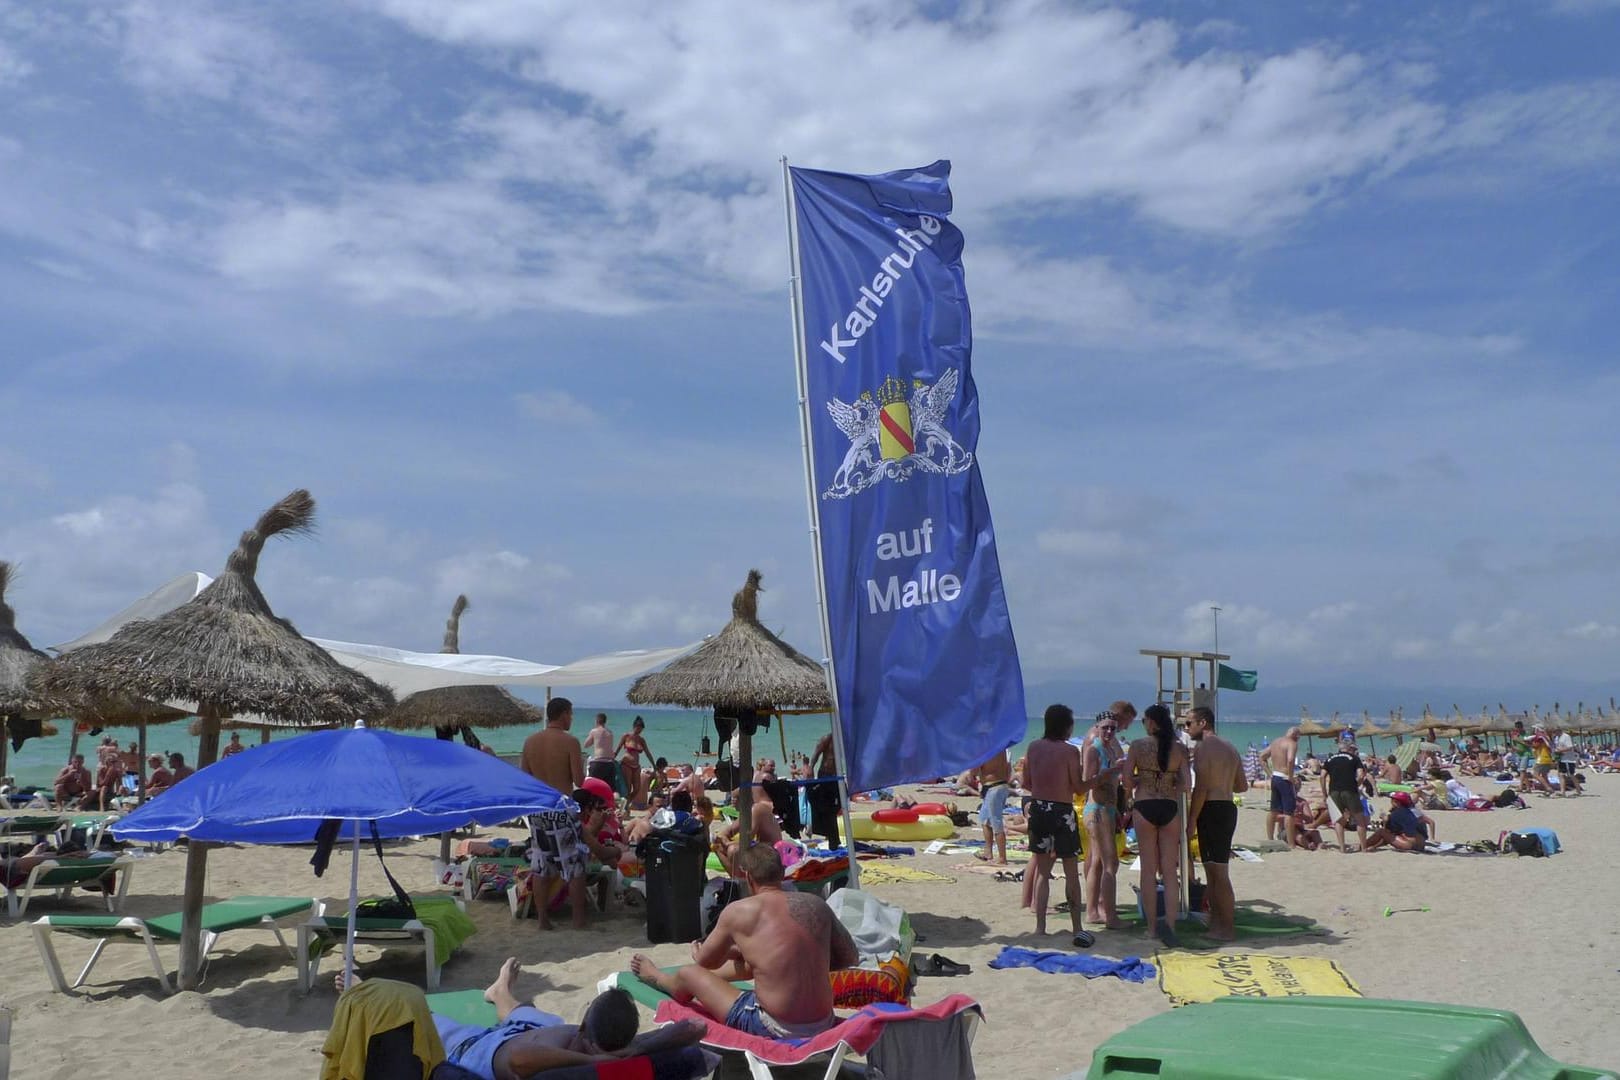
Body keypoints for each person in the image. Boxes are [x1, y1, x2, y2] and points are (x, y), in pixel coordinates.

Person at [630, 843, 857, 1039]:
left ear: (748, 877)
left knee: (690, 974)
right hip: (823, 1020)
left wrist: (700, 951)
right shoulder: (816, 904)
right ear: (782, 873)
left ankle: (658, 977)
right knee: (754, 963)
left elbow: (706, 962)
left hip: (774, 1025)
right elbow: (850, 956)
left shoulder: (739, 911)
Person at [342, 959, 705, 1079]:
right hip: (530, 1031)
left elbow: (517, 1058)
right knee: (522, 1012)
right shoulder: (619, 1051)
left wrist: (592, 1058)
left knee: (415, 1010)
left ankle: (358, 987)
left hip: (474, 1044)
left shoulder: (544, 1055)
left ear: (583, 1027)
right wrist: (637, 1046)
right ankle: (500, 989)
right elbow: (695, 1029)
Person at [1027, 704, 1115, 947]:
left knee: (1043, 873)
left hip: (1038, 808)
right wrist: (1103, 777)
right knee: (1070, 872)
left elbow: (1026, 781)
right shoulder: (1069, 752)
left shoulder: (1033, 747)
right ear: (1066, 726)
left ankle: (1040, 928)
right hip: (1061, 811)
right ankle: (1076, 926)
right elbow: (1078, 787)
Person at [520, 698, 589, 929]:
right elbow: (579, 780)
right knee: (574, 866)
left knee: (542, 866)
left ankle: (543, 920)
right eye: (571, 714)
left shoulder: (530, 742)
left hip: (539, 810)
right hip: (561, 809)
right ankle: (579, 921)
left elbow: (525, 779)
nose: (571, 719)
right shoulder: (570, 742)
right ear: (563, 714)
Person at [1125, 704, 1190, 946]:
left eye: (1144, 720)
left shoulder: (1137, 746)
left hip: (1145, 805)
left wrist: (1142, 779)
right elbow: (1186, 785)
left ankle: (1152, 929)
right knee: (1170, 872)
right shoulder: (1180, 749)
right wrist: (1170, 783)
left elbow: (1125, 779)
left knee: (1148, 871)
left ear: (1151, 722)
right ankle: (1171, 925)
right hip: (1169, 806)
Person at [1184, 706, 1246, 941]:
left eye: (1189, 724)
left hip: (1211, 809)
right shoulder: (1229, 747)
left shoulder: (1204, 747)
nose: (1186, 729)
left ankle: (1226, 928)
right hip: (1228, 807)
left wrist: (1191, 820)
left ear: (1203, 722)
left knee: (1218, 873)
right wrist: (1223, 780)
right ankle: (1218, 924)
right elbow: (1242, 785)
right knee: (1215, 871)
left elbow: (1201, 788)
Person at [1081, 712, 1126, 928]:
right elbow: (1087, 782)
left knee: (1099, 863)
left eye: (1113, 728)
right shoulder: (1093, 749)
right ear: (1097, 726)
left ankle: (1092, 912)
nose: (1109, 731)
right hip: (1096, 810)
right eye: (1105, 727)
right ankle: (1111, 917)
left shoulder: (1110, 749)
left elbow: (1113, 783)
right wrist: (1112, 771)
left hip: (1107, 810)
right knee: (1111, 863)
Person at [1321, 736, 1368, 853]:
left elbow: (1322, 776)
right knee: (1360, 819)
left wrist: (1324, 793)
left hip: (1334, 791)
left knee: (1338, 820)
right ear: (1349, 748)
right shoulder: (1354, 758)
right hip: (1350, 790)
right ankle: (1364, 848)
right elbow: (1361, 775)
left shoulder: (1330, 759)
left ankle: (1342, 848)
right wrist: (1356, 785)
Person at [974, 747, 1012, 866]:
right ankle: (988, 852)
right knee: (984, 820)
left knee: (996, 823)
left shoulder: (984, 750)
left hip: (993, 787)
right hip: (1001, 785)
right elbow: (1008, 768)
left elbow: (974, 771)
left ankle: (1002, 858)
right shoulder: (1000, 749)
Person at [1264, 727, 1300, 849]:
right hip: (1284, 778)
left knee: (1273, 809)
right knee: (1289, 812)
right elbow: (1290, 760)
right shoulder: (1292, 743)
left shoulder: (1275, 742)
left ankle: (1270, 838)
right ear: (1295, 735)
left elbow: (1262, 757)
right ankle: (1291, 843)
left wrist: (1270, 774)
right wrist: (1290, 776)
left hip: (1275, 776)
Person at [806, 731, 841, 847]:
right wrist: (810, 767)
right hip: (825, 774)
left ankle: (830, 834)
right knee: (826, 806)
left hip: (836, 777)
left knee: (838, 805)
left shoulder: (844, 739)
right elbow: (816, 753)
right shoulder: (828, 738)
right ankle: (830, 836)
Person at [1366, 791, 1433, 852]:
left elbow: (1387, 833)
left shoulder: (1396, 814)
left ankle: (1363, 845)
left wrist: (1385, 821)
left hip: (1410, 845)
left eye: (1392, 800)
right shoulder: (1414, 811)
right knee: (1396, 833)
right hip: (1421, 845)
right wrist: (1375, 846)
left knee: (1381, 831)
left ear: (1397, 802)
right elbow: (1390, 837)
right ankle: (1370, 846)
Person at [615, 717, 653, 808]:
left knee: (637, 788)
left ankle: (626, 804)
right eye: (638, 728)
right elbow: (618, 748)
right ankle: (625, 807)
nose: (639, 730)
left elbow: (648, 753)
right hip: (626, 764)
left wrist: (654, 765)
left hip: (636, 766)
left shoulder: (641, 739)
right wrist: (612, 759)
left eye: (641, 729)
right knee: (627, 788)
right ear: (634, 726)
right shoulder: (626, 736)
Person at [583, 714, 619, 793]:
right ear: (605, 721)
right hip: (610, 763)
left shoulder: (594, 731)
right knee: (609, 790)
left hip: (598, 763)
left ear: (597, 721)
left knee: (590, 787)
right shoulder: (610, 732)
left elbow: (586, 745)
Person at [1554, 727, 1584, 796]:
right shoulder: (1557, 738)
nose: (1554, 733)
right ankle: (1562, 792)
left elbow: (1570, 747)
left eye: (1555, 731)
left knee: (1571, 775)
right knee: (1561, 774)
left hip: (1568, 759)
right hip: (1561, 759)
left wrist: (1560, 751)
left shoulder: (1566, 737)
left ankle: (1578, 790)